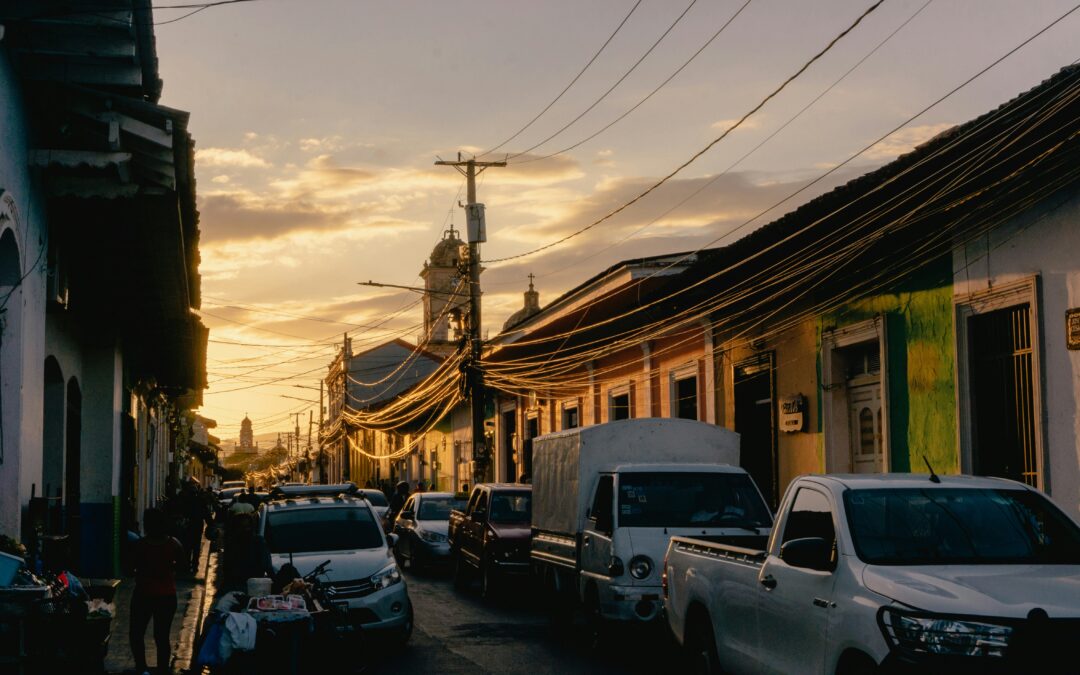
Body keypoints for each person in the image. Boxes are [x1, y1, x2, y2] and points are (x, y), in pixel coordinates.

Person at [130, 507, 184, 675]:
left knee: (136, 634)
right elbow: (182, 567)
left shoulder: (140, 545)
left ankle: (142, 668)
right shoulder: (173, 544)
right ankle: (162, 670)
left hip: (143, 595)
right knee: (161, 636)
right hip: (167, 596)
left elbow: (128, 568)